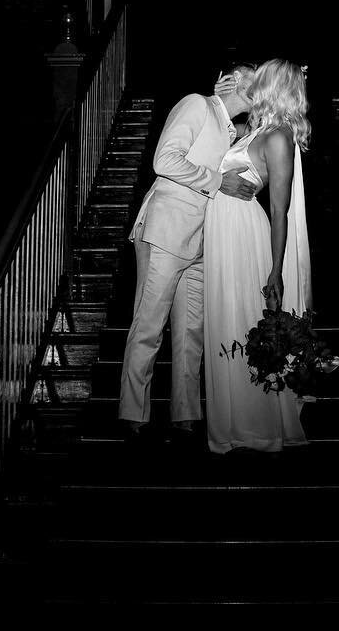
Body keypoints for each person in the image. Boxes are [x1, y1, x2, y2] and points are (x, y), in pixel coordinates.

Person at [118, 67, 259, 447]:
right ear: (233, 81)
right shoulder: (196, 105)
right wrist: (218, 181)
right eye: (253, 78)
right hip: (165, 230)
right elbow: (164, 160)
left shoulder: (230, 128)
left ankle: (185, 414)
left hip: (200, 241)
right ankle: (133, 414)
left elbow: (266, 126)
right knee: (149, 325)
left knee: (190, 332)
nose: (260, 84)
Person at [203, 59, 313, 454]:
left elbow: (280, 210)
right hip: (221, 229)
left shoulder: (279, 137)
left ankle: (255, 425)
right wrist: (219, 100)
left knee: (242, 317)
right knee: (223, 317)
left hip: (243, 231)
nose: (255, 82)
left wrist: (276, 270)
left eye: (261, 77)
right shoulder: (254, 128)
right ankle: (230, 422)